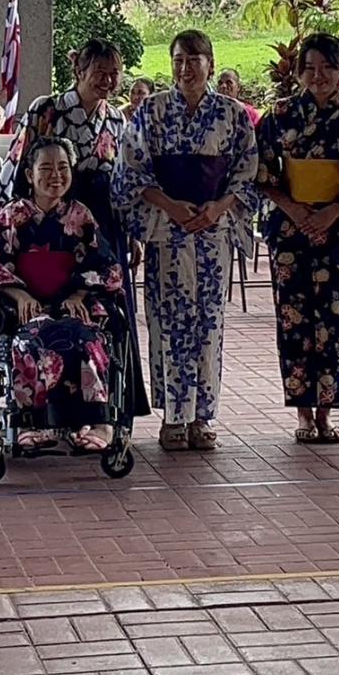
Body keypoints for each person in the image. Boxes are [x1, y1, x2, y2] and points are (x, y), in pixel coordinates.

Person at [113, 30, 258, 451]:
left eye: (194, 59)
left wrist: (218, 207)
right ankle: (173, 417)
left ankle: (203, 416)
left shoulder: (232, 115)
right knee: (169, 321)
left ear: (211, 63)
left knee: (209, 324)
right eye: (178, 59)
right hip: (167, 229)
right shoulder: (151, 111)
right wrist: (169, 205)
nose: (186, 67)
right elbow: (131, 171)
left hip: (214, 230)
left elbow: (248, 172)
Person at [0, 138, 148, 452]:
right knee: (29, 342)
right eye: (46, 168)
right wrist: (17, 293)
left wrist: (78, 293)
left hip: (71, 305)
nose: (55, 175)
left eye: (63, 168)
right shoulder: (12, 216)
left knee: (89, 341)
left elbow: (106, 266)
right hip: (25, 308)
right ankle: (29, 423)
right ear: (30, 174)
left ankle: (98, 422)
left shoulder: (81, 217)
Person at [257, 33, 339, 444]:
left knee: (336, 322)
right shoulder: (279, 116)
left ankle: (327, 414)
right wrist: (295, 210)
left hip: (338, 232)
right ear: (298, 72)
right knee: (295, 323)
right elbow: (262, 172)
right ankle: (303, 415)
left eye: (327, 67)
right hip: (291, 231)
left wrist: (330, 213)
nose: (319, 75)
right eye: (309, 67)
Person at [0, 40, 136, 324]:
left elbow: (123, 179)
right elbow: (17, 159)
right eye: (99, 72)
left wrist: (133, 230)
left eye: (115, 73)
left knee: (109, 289)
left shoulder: (118, 120)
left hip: (103, 216)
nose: (108, 80)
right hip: (53, 212)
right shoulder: (46, 109)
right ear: (79, 71)